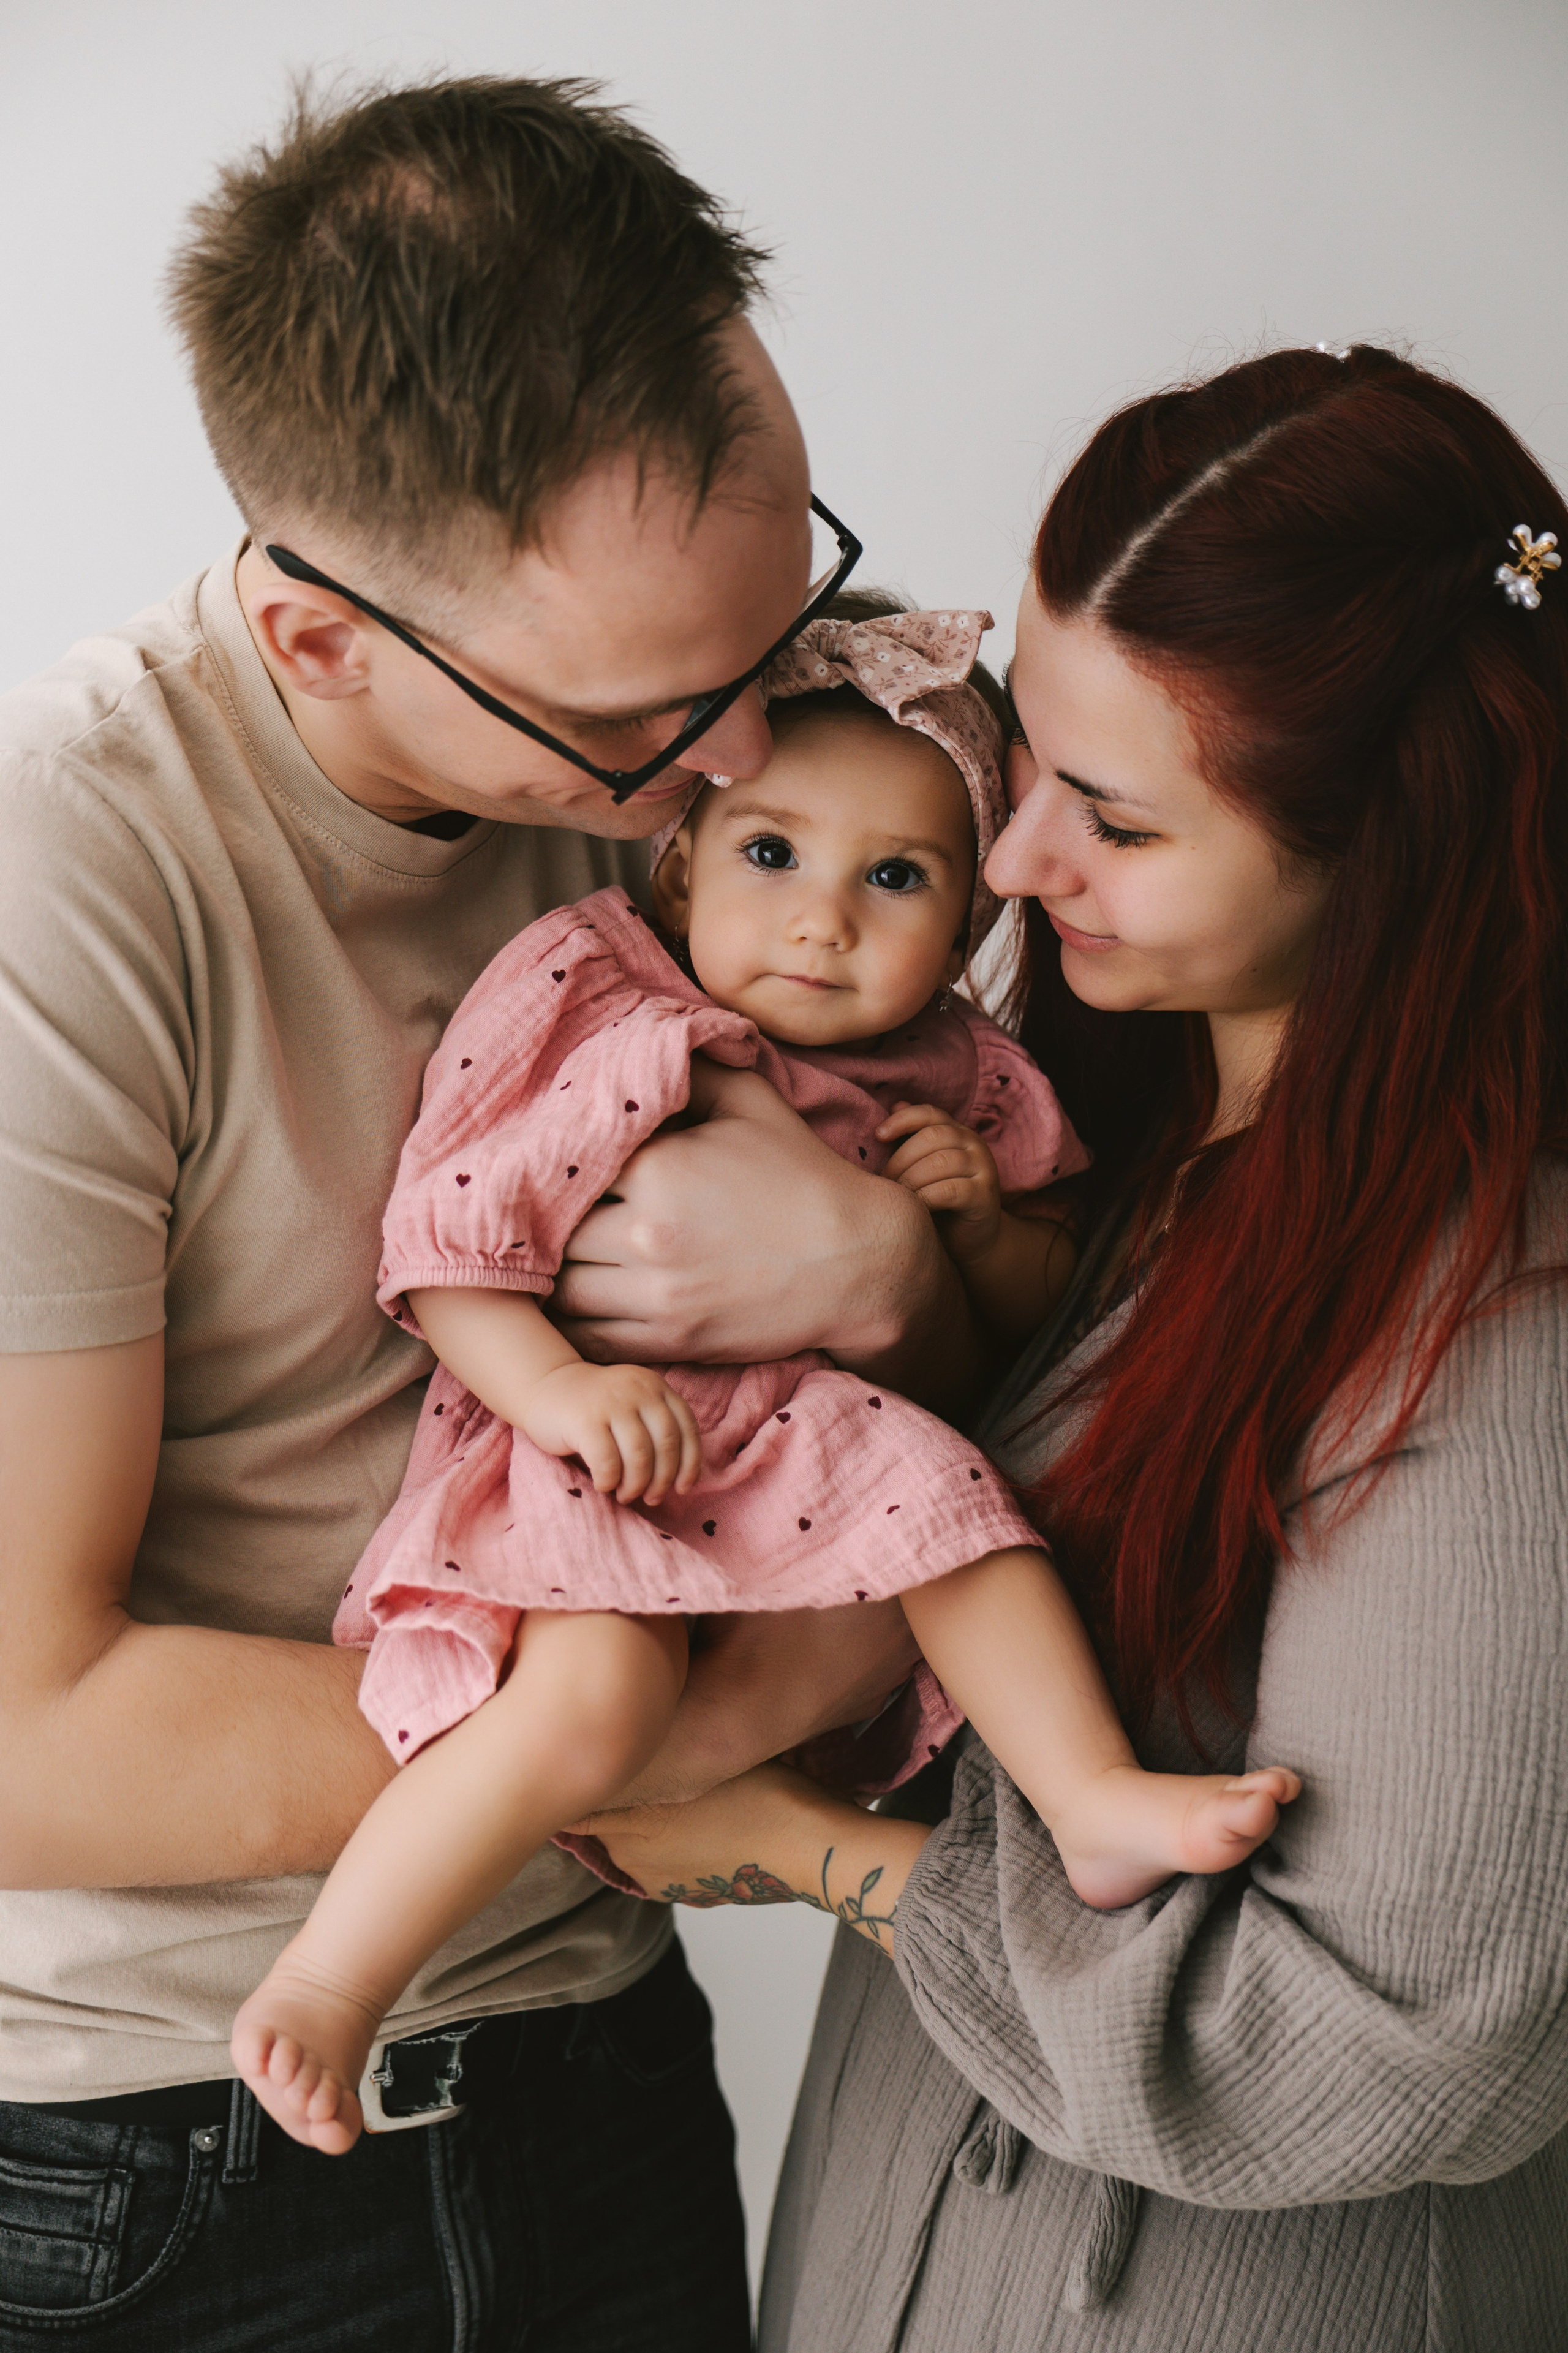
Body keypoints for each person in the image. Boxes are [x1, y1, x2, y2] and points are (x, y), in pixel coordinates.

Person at [0, 77, 957, 2351]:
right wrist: (681, 1722)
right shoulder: (71, 883)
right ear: (325, 639)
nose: (744, 765)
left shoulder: (717, 763)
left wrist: (894, 1266)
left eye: (779, 622)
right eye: (653, 722)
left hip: (603, 2052)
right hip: (179, 2152)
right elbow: (20, 1731)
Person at [588, 347, 1568, 2353]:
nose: (1012, 863)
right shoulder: (1094, 1137)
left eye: (1110, 818)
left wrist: (794, 1847)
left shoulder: (1499, 1323)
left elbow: (1417, 2040)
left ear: (1388, 857)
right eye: (1023, 759)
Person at [232, 598, 1300, 2155]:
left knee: (970, 1526)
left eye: (893, 880)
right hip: (605, 1440)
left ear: (969, 925)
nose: (822, 922)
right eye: (770, 856)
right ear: (681, 855)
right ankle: (335, 1976)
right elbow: (454, 1242)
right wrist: (553, 1391)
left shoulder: (961, 1065)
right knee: (592, 1695)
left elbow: (1049, 1319)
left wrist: (977, 1231)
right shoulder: (596, 997)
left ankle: (1087, 1796)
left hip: (817, 1449)